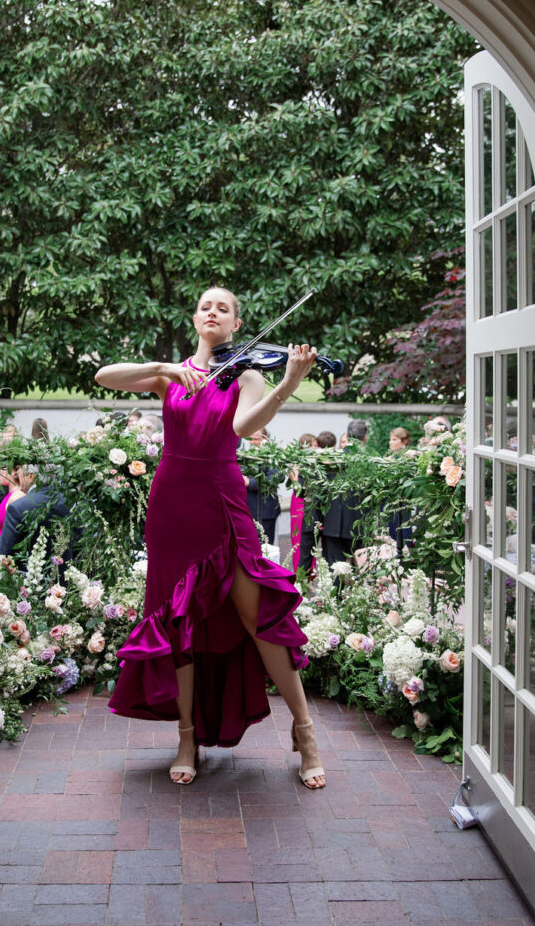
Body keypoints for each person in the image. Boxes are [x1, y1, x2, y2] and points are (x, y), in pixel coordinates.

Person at [95, 286, 325, 789]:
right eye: (205, 306)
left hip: (221, 503)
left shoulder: (245, 375)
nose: (213, 312)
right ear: (196, 318)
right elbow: (103, 376)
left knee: (259, 615)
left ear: (236, 325)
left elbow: (244, 427)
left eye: (223, 308)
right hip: (172, 505)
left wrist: (288, 381)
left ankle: (304, 731)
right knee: (176, 622)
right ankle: (186, 736)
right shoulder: (171, 374)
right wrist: (168, 369)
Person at [0, 463, 71, 568]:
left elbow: (3, 553)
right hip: (69, 579)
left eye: (19, 469)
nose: (17, 473)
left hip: (28, 579)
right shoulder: (72, 504)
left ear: (31, 476)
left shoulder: (18, 508)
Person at [316, 421, 367, 565]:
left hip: (333, 523)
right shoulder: (370, 461)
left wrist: (319, 518)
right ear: (364, 438)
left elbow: (320, 491)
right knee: (360, 571)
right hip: (359, 525)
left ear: (347, 435)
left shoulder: (331, 460)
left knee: (335, 570)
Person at [242, 427, 281, 544]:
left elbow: (273, 479)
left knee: (265, 548)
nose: (253, 442)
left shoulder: (273, 456)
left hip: (265, 512)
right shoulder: (247, 455)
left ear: (265, 439)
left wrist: (250, 482)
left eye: (256, 439)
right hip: (248, 511)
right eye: (251, 439)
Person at [290, 433, 318, 571]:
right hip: (299, 501)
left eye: (316, 445)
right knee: (299, 537)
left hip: (312, 501)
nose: (314, 448)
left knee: (311, 538)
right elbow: (298, 488)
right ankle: (299, 570)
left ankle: (311, 571)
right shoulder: (297, 464)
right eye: (311, 445)